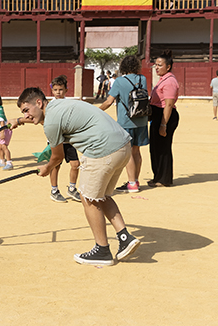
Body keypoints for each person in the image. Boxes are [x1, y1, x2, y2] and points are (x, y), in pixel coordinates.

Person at [13, 88, 140, 266]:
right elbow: (46, 121)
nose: (26, 115)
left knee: (88, 197)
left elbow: (57, 157)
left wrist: (47, 168)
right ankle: (125, 237)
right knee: (101, 195)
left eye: (26, 110)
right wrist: (19, 121)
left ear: (39, 103)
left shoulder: (51, 122)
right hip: (123, 146)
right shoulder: (58, 105)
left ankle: (102, 250)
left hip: (102, 149)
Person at [100, 56, 148, 194]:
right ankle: (135, 180)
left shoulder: (120, 81)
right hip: (141, 119)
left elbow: (109, 101)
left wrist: (96, 110)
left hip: (126, 121)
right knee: (136, 151)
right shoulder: (142, 79)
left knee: (128, 153)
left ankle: (132, 183)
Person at [46, 76, 81, 202]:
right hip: (56, 140)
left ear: (66, 90)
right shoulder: (50, 105)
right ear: (52, 91)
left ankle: (72, 188)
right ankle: (54, 190)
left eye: (60, 89)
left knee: (76, 164)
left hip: (69, 140)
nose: (58, 92)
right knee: (55, 165)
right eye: (55, 90)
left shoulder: (69, 103)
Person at [148, 52, 180, 188]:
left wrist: (163, 124)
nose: (156, 68)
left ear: (168, 67)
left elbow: (168, 104)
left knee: (163, 148)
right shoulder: (164, 79)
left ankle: (164, 179)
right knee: (156, 147)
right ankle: (158, 177)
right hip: (158, 115)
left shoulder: (170, 82)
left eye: (160, 65)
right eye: (156, 65)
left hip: (165, 116)